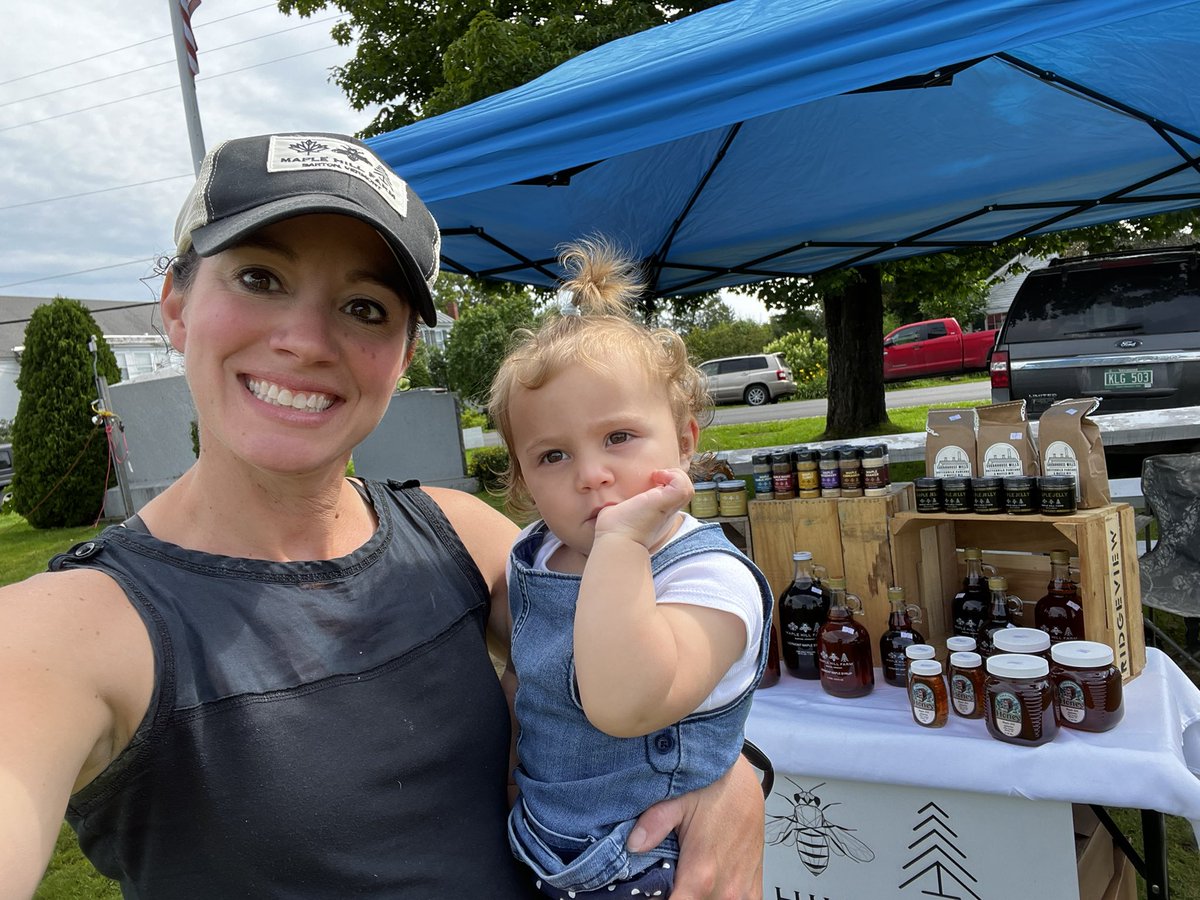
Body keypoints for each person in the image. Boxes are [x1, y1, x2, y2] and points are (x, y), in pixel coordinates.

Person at [0, 132, 765, 899]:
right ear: (176, 304)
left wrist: (733, 779)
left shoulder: (456, 534)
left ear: (401, 358)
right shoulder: (68, 630)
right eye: (260, 277)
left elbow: (653, 668)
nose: (305, 341)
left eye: (364, 307)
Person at [488, 240, 773, 899]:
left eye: (618, 438)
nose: (592, 475)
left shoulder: (707, 580)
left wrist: (620, 547)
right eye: (552, 456)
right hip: (541, 841)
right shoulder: (535, 556)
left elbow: (622, 703)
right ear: (522, 477)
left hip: (647, 860)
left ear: (685, 441)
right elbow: (526, 673)